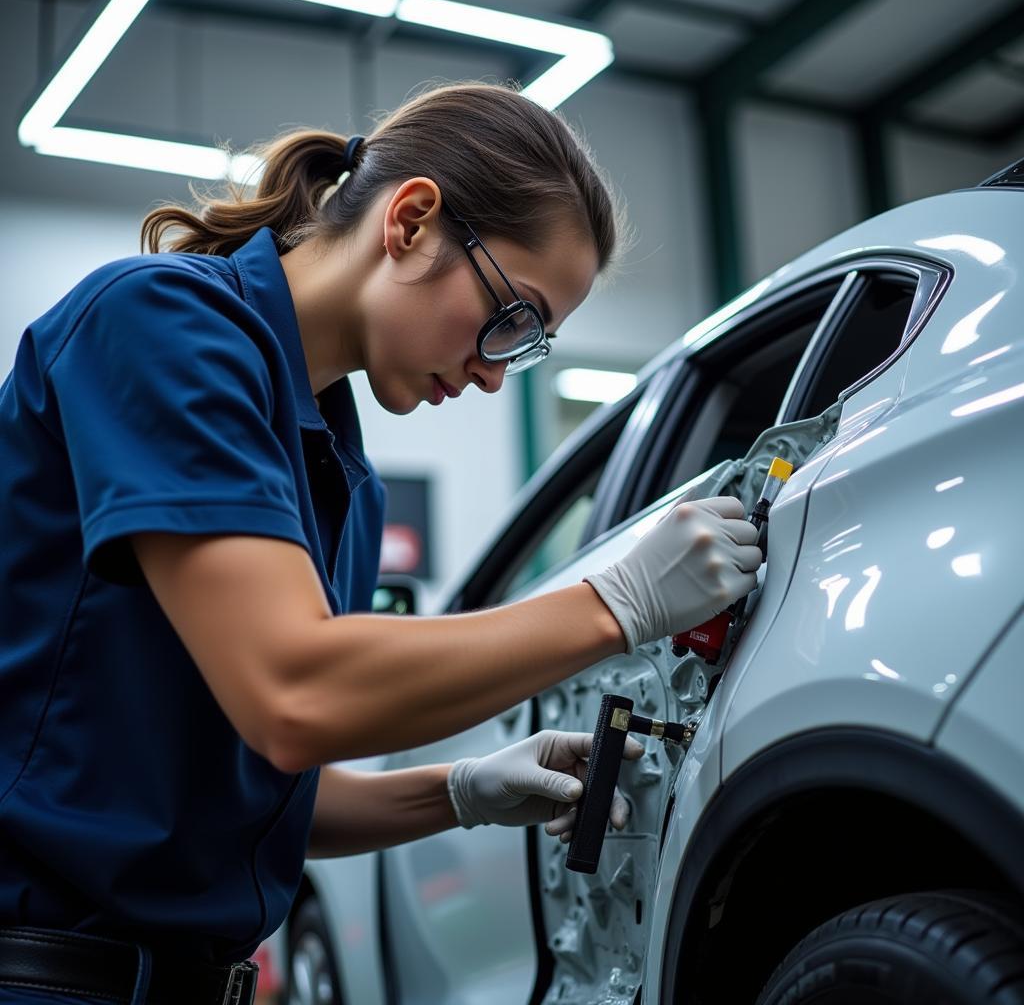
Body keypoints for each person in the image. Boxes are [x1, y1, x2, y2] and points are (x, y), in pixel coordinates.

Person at [0, 81, 762, 1002]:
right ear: (410, 221)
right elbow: (297, 692)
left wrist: (461, 790)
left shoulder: (337, 474)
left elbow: (259, 788)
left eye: (527, 348)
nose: (492, 372)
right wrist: (617, 605)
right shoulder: (162, 324)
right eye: (510, 317)